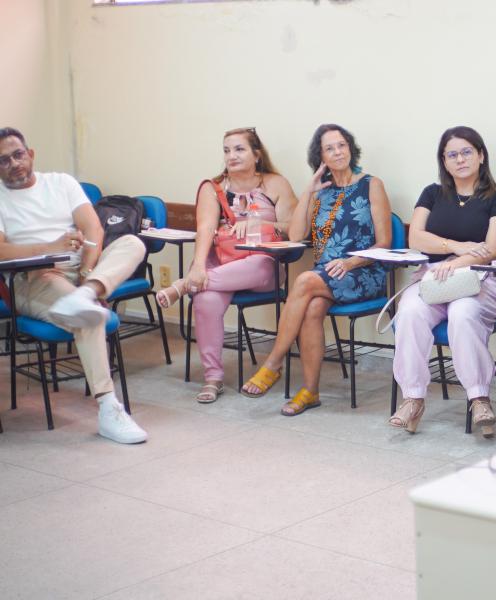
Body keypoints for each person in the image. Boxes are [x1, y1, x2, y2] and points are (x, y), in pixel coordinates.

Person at [0, 126, 147, 444]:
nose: (13, 163)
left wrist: (87, 272)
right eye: (3, 160)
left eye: (17, 154)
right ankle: (108, 408)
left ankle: (86, 292)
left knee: (133, 244)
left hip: (80, 271)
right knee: (88, 317)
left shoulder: (61, 183)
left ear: (31, 154)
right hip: (33, 278)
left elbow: (92, 226)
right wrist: (49, 246)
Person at [239, 124, 390, 415]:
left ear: (351, 148)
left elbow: (383, 243)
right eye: (330, 148)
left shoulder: (371, 184)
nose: (338, 152)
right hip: (325, 277)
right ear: (320, 157)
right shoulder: (321, 193)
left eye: (342, 145)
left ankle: (273, 363)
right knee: (311, 308)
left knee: (306, 280)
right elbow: (296, 236)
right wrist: (309, 190)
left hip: (363, 272)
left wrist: (350, 262)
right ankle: (310, 391)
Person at [390, 126, 496, 437]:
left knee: (462, 314)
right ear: (444, 162)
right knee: (408, 312)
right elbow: (416, 237)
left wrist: (457, 263)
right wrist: (455, 248)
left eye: (466, 152)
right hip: (432, 279)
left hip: (477, 279)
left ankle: (479, 398)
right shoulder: (432, 194)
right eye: (452, 154)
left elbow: (493, 248)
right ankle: (413, 398)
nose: (460, 159)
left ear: (481, 155)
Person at [155, 127, 296, 403]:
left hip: (262, 267)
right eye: (227, 150)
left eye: (239, 149)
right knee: (205, 299)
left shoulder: (275, 184)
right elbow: (205, 228)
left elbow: (294, 228)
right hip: (221, 263)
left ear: (257, 154)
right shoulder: (213, 187)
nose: (231, 156)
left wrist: (261, 224)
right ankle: (213, 378)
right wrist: (198, 266)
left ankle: (184, 285)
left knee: (257, 267)